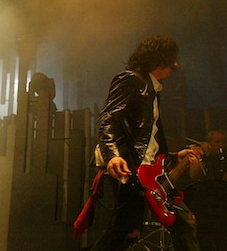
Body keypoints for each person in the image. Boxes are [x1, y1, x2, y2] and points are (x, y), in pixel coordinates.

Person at [86, 35, 200, 250]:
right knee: (125, 229)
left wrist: (175, 157)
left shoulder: (152, 90)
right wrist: (113, 155)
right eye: (171, 59)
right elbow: (109, 118)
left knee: (129, 231)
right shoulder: (132, 81)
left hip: (147, 170)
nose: (175, 65)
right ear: (158, 59)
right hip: (129, 166)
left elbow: (148, 140)